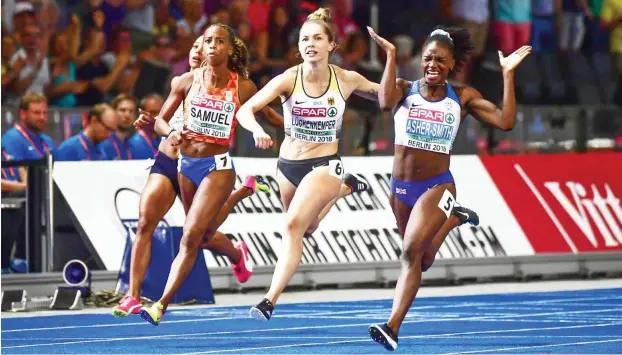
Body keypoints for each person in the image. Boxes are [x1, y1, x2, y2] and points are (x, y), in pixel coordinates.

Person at [366, 25, 530, 351]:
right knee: (422, 260)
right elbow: (384, 102)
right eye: (428, 58)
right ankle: (454, 219)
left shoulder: (463, 97)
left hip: (437, 186)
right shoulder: (402, 88)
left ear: (453, 65)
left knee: (410, 253)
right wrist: (392, 57)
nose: (432, 65)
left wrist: (507, 75)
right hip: (400, 188)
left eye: (441, 60)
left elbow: (505, 121)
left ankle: (392, 327)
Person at [233, 7, 389, 321]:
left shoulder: (345, 79)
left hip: (325, 163)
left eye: (318, 38)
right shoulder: (288, 79)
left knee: (292, 226)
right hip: (289, 166)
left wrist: (393, 59)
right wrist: (258, 129)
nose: (310, 44)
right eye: (305, 38)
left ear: (332, 45)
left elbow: (388, 95)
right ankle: (346, 190)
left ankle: (268, 300)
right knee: (308, 228)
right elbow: (245, 110)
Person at [112, 35, 276, 317]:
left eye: (210, 44)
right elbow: (165, 120)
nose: (201, 49)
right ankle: (133, 296)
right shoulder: (183, 81)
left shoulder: (232, 84)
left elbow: (263, 112)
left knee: (201, 235)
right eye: (197, 45)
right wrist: (149, 123)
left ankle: (237, 249)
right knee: (144, 223)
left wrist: (298, 126)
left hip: (204, 165)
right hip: (169, 161)